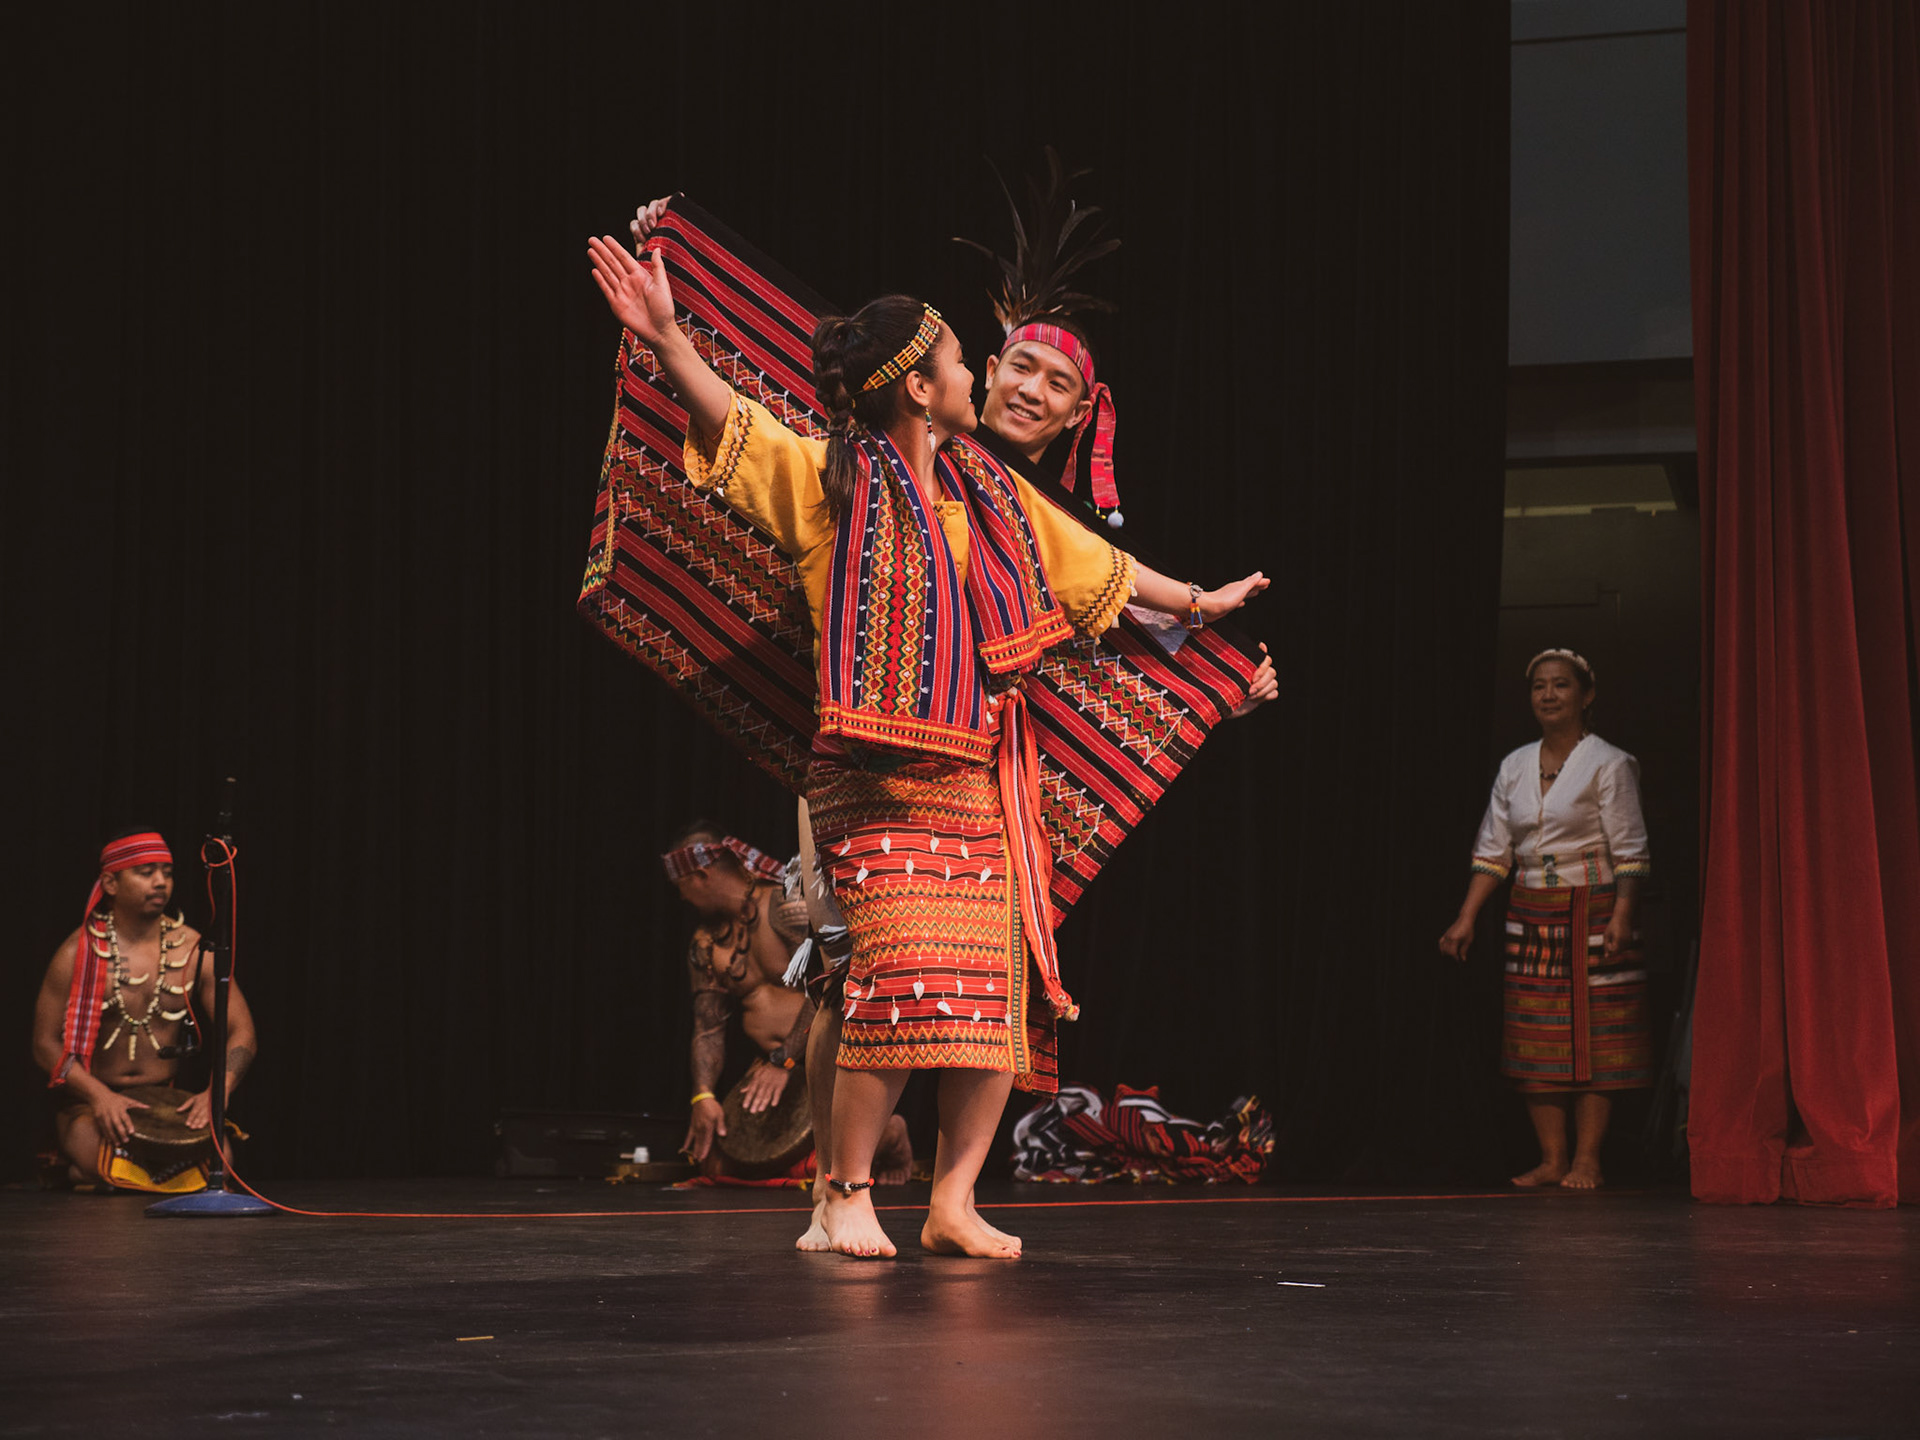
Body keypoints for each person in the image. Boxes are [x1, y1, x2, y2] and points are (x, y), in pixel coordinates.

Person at [587, 232, 1270, 1260]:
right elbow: (742, 428)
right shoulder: (837, 480)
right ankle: (844, 1190)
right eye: (979, 361)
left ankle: (953, 1200)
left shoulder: (1000, 504)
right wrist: (673, 337)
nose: (1006, 380)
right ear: (934, 386)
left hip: (979, 775)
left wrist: (1206, 615)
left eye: (1053, 377)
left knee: (995, 986)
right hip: (874, 773)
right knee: (888, 978)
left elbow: (1109, 574)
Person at [1439, 650, 1653, 1189]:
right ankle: (1553, 1157)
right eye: (1539, 687)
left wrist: (1623, 915)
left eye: (1561, 685)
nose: (1549, 695)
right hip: (1532, 907)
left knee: (1596, 1036)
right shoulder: (1515, 765)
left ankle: (1588, 1159)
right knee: (1537, 1035)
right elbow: (1494, 850)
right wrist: (1466, 917)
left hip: (1596, 905)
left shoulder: (1609, 762)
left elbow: (1630, 849)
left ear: (1586, 695)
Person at [665, 818, 911, 1193]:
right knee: (711, 1161)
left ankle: (891, 1134)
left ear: (700, 875)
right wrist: (704, 1095)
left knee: (821, 1168)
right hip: (775, 1071)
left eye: (680, 885)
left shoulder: (784, 904)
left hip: (821, 1062)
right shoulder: (704, 943)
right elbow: (707, 1027)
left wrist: (787, 1058)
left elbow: (828, 988)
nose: (680, 897)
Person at [31, 830, 259, 1189]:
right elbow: (44, 1044)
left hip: (167, 1106)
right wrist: (99, 1096)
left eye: (167, 872)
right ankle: (85, 1170)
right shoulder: (78, 952)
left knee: (223, 1165)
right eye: (146, 872)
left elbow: (242, 1031)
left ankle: (79, 1177)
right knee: (113, 1164)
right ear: (110, 882)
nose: (160, 882)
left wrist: (217, 1093)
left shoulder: (194, 950)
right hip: (90, 1105)